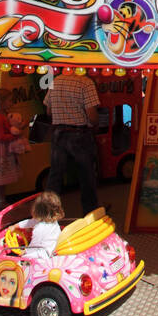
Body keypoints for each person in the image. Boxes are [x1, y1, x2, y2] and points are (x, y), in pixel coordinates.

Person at [44, 70, 100, 216]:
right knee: (86, 175)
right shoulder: (85, 83)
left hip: (58, 133)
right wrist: (95, 123)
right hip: (79, 134)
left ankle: (48, 213)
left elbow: (49, 111)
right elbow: (92, 115)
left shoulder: (55, 81)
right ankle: (90, 213)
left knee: (55, 175)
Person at [17, 191, 65, 260]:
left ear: (36, 210)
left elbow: (35, 245)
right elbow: (31, 222)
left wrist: (25, 251)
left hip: (44, 254)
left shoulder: (39, 228)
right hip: (54, 248)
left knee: (21, 258)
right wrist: (17, 225)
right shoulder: (52, 220)